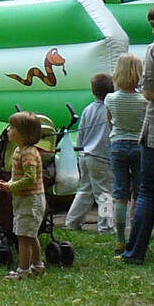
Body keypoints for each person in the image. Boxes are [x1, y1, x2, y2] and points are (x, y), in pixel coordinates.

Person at [118, 7, 154, 263]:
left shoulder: (153, 50)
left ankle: (134, 252)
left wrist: (144, 88)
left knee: (147, 192)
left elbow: (151, 93)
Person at [0, 111, 46, 281]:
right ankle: (37, 265)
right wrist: (9, 183)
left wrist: (11, 186)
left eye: (12, 128)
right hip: (22, 199)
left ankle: (23, 270)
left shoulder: (29, 153)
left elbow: (29, 178)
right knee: (29, 234)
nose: (8, 130)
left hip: (31, 200)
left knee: (24, 236)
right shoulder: (19, 150)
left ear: (24, 133)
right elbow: (17, 175)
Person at [105, 53, 146, 253]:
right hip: (140, 146)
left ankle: (120, 239)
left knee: (120, 194)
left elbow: (109, 123)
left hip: (118, 145)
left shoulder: (110, 98)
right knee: (140, 194)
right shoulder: (144, 101)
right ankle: (137, 238)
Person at [64, 73, 114, 233]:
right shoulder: (111, 110)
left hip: (85, 155)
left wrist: (80, 152)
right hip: (101, 156)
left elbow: (81, 134)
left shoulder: (88, 110)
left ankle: (72, 222)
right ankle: (106, 227)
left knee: (85, 190)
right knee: (105, 193)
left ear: (93, 91)